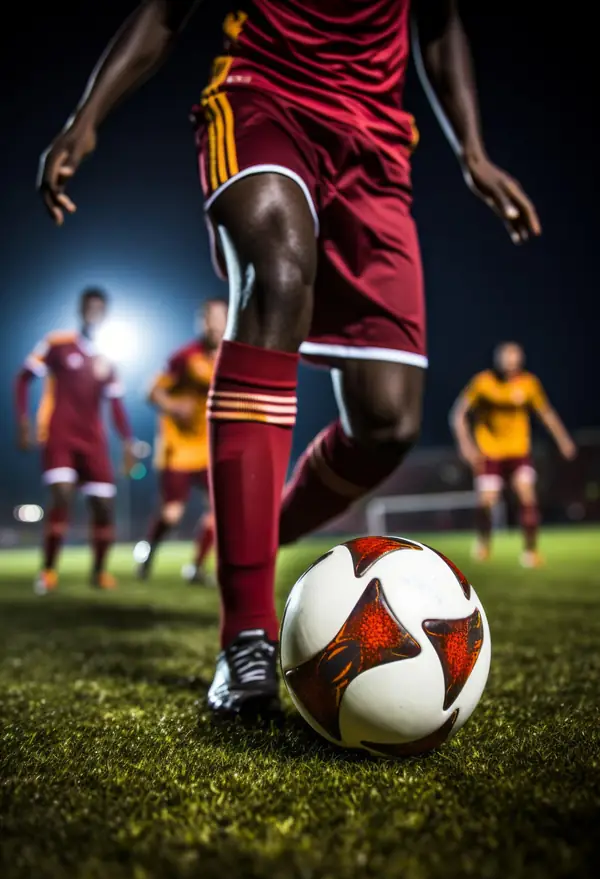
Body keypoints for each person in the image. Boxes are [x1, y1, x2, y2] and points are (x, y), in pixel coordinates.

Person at [38, 0, 541, 716]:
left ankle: (253, 531)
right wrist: (86, 118)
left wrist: (472, 150)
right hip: (261, 93)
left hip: (376, 143)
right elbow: (163, 11)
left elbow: (438, 22)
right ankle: (246, 634)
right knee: (274, 278)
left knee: (387, 424)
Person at [15, 288, 135, 592]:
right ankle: (48, 571)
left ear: (105, 314)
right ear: (81, 310)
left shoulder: (106, 360)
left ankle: (98, 573)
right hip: (60, 436)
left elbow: (117, 405)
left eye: (99, 308)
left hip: (94, 442)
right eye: (89, 307)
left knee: (104, 505)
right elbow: (23, 377)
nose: (94, 312)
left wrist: (128, 442)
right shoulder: (57, 344)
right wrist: (24, 421)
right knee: (62, 494)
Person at [450, 342, 577, 567]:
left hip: (519, 451)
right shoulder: (483, 383)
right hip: (489, 451)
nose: (510, 368)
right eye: (506, 363)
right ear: (497, 362)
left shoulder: (529, 384)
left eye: (514, 363)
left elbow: (546, 413)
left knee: (527, 495)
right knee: (486, 502)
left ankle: (530, 551)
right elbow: (458, 413)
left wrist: (563, 440)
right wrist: (466, 445)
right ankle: (484, 541)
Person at [139, 297, 227, 583]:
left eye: (220, 318)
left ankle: (196, 568)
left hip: (207, 450)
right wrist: (173, 406)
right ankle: (149, 551)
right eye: (209, 318)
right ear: (200, 322)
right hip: (176, 449)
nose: (214, 325)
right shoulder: (184, 357)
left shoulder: (229, 358)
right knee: (172, 514)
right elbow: (152, 392)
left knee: (219, 511)